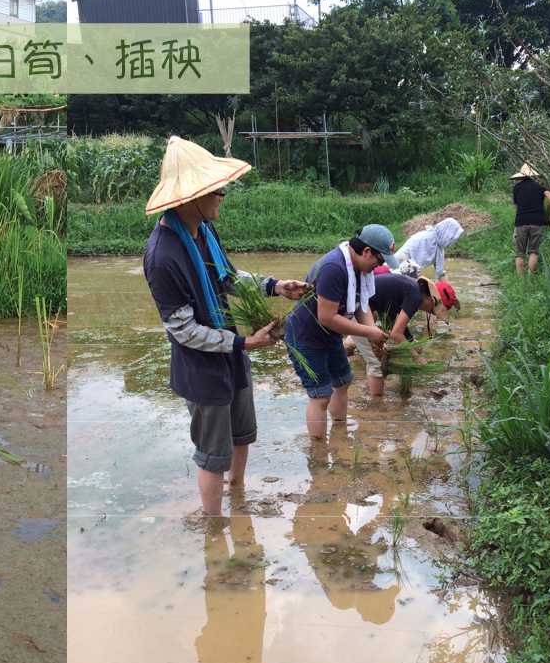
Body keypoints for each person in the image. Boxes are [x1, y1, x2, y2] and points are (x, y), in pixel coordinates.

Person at [141, 136, 309, 516]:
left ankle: (239, 499)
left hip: (231, 354)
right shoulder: (162, 256)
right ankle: (214, 529)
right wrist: (244, 343)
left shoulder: (204, 230)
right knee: (212, 454)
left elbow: (227, 279)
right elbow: (182, 330)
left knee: (241, 434)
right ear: (192, 194)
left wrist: (276, 287)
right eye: (217, 190)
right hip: (202, 367)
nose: (222, 196)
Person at [284, 225, 398, 439]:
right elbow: (326, 317)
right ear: (366, 252)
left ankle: (339, 434)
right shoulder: (334, 268)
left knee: (343, 380)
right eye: (380, 261)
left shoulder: (361, 270)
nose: (379, 266)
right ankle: (318, 453)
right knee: (320, 395)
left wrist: (373, 332)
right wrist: (369, 332)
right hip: (305, 335)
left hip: (330, 334)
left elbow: (361, 306)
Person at [351, 273, 460, 396]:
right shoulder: (415, 297)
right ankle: (377, 406)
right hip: (355, 304)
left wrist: (411, 341)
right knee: (374, 361)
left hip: (361, 302)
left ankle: (368, 390)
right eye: (431, 311)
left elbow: (392, 320)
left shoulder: (411, 288)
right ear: (431, 299)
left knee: (378, 354)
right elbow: (396, 334)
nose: (429, 312)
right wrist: (416, 357)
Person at [511, 162, 550, 276]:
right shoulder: (540, 186)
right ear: (534, 175)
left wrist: (519, 217)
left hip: (521, 222)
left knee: (520, 253)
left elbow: (516, 207)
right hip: (537, 221)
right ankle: (530, 277)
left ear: (521, 175)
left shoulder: (517, 188)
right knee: (534, 251)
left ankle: (520, 280)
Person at [393, 217, 463, 279]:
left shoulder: (438, 245)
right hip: (399, 264)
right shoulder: (425, 240)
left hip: (410, 268)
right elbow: (415, 268)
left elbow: (440, 272)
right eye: (451, 238)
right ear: (446, 234)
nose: (452, 242)